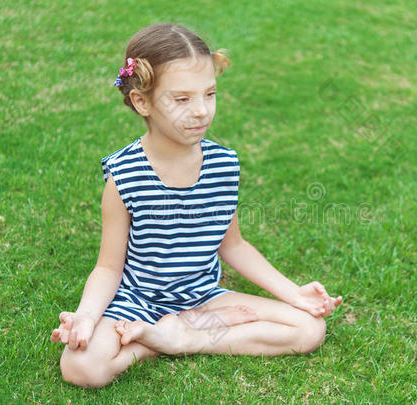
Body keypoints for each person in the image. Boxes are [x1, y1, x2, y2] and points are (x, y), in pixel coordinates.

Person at [50, 22, 343, 388]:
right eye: (182, 99)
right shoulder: (124, 176)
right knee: (80, 367)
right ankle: (154, 339)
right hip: (138, 300)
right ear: (142, 101)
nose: (202, 111)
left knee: (308, 328)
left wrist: (293, 292)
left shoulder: (223, 165)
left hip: (203, 302)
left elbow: (233, 245)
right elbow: (109, 267)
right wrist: (87, 317)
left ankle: (182, 338)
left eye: (210, 94)